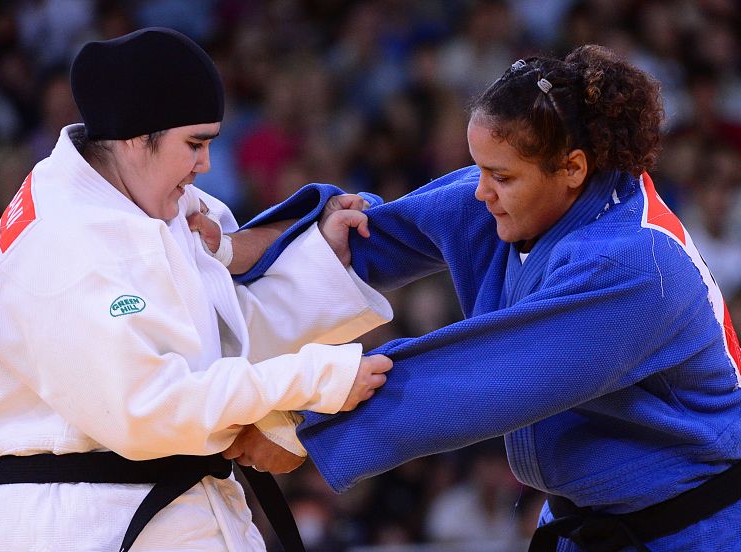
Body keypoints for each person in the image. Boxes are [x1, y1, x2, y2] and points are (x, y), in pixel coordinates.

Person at [232, 45, 741, 550]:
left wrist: (300, 420)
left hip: (692, 530)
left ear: (573, 168)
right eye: (479, 169)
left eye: (500, 176)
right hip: (585, 523)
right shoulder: (518, 197)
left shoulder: (634, 264)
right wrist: (228, 252)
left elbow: (479, 377)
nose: (480, 191)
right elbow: (370, 236)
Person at [0, 27, 394, 552]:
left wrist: (321, 261)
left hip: (172, 510)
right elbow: (148, 410)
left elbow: (218, 340)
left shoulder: (149, 203)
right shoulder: (64, 246)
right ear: (138, 138)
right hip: (83, 523)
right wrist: (313, 379)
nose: (205, 164)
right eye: (195, 143)